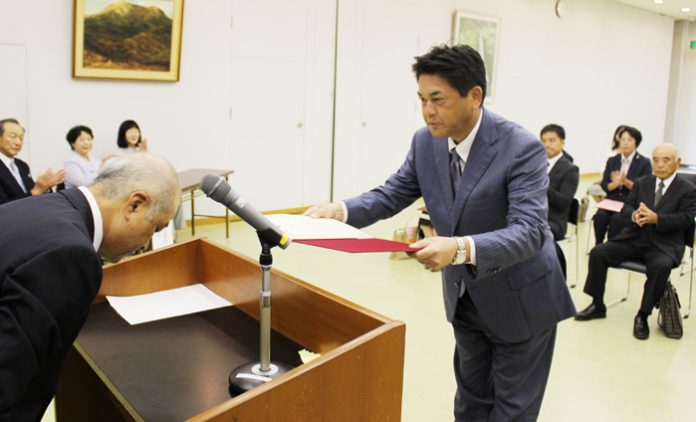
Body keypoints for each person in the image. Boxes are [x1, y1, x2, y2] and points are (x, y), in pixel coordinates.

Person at [305, 45, 575, 421]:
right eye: (421, 100)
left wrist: (459, 249)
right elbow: (392, 193)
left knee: (512, 411)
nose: (428, 111)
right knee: (470, 402)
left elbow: (529, 231)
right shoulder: (426, 141)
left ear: (474, 96)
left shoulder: (520, 147)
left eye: (438, 99)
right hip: (467, 297)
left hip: (522, 298)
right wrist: (341, 211)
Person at [0, 153, 180, 420]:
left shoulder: (40, 206)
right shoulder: (71, 254)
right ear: (135, 205)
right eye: (154, 229)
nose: (145, 245)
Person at [576, 144, 696, 339]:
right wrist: (634, 216)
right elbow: (626, 207)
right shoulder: (642, 183)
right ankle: (597, 304)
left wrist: (656, 219)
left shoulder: (688, 189)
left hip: (664, 244)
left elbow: (686, 219)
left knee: (660, 267)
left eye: (666, 160)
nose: (660, 165)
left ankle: (643, 315)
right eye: (656, 160)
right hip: (635, 238)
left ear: (677, 162)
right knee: (599, 253)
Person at [592, 125, 652, 245]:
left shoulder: (644, 163)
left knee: (617, 219)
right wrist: (615, 183)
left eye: (629, 140)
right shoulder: (612, 160)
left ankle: (612, 246)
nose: (625, 143)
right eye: (623, 139)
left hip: (629, 203)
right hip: (611, 201)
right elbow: (605, 185)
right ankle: (598, 245)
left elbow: (644, 188)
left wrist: (625, 181)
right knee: (600, 216)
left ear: (636, 142)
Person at [540, 124, 579, 279]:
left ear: (562, 142)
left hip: (554, 221)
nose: (547, 144)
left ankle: (552, 280)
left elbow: (564, 201)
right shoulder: (537, 163)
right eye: (543, 141)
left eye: (552, 140)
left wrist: (542, 183)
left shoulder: (570, 169)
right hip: (534, 215)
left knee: (529, 235)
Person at [0, 118, 64, 205]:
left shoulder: (22, 165)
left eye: (21, 138)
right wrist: (35, 192)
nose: (18, 142)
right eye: (13, 136)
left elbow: (32, 191)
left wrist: (45, 187)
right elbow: (3, 205)